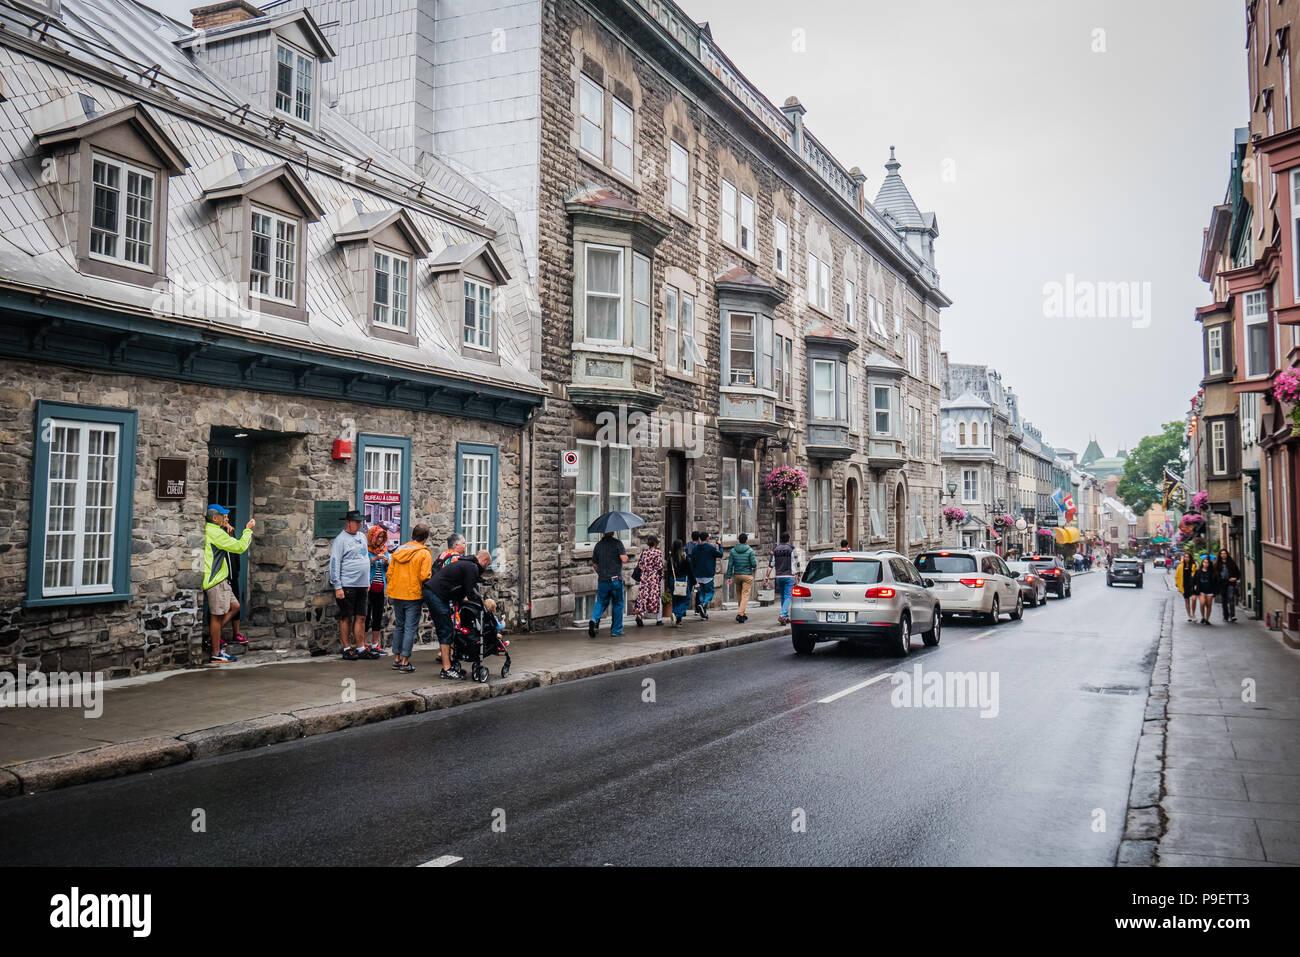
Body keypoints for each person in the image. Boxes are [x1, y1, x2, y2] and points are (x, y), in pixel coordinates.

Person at [427, 548, 492, 678]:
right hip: (436, 594)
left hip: (434, 592)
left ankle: (449, 665)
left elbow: (462, 593)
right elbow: (469, 593)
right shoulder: (472, 567)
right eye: (487, 564)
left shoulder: (465, 564)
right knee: (445, 630)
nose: (486, 567)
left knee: (447, 629)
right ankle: (447, 669)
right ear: (484, 561)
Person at [203, 504, 254, 663]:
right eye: (222, 515)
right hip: (216, 580)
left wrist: (226, 528)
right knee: (216, 617)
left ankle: (213, 637)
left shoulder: (214, 530)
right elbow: (239, 547)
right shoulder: (215, 532)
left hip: (221, 579)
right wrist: (248, 530)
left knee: (235, 606)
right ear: (214, 518)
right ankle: (216, 653)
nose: (225, 517)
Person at [385, 524, 432, 673]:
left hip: (397, 593)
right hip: (413, 594)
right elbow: (425, 576)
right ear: (425, 538)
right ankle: (405, 662)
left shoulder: (399, 550)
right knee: (410, 628)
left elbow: (389, 572)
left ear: (413, 535)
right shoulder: (424, 553)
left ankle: (397, 658)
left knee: (399, 626)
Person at [330, 509, 373, 660]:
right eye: (356, 522)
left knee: (361, 616)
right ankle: (347, 648)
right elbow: (335, 563)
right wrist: (338, 586)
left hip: (362, 584)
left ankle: (360, 647)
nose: (359, 524)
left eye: (360, 522)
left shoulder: (362, 536)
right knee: (346, 616)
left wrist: (367, 581)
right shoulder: (340, 540)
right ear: (348, 523)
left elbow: (365, 558)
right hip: (347, 584)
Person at [588, 529, 629, 637]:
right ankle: (616, 630)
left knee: (600, 601)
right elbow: (624, 559)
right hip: (615, 580)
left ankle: (594, 619)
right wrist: (624, 553)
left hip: (603, 580)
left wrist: (601, 573)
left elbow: (595, 564)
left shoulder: (598, 545)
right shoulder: (617, 543)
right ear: (613, 532)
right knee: (618, 603)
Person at [365, 525, 390, 657]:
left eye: (382, 537)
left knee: (378, 616)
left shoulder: (385, 551)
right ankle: (363, 644)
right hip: (368, 586)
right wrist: (373, 559)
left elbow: (389, 568)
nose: (380, 540)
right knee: (366, 616)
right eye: (378, 537)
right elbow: (363, 565)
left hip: (380, 587)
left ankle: (375, 644)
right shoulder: (366, 550)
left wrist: (386, 562)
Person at [764, 533, 800, 625]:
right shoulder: (792, 549)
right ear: (789, 539)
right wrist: (798, 575)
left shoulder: (775, 549)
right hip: (789, 576)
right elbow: (796, 563)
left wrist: (766, 577)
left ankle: (786, 617)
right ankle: (782, 615)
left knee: (783, 597)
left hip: (779, 577)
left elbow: (771, 564)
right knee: (788, 596)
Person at [725, 532, 758, 623]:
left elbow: (730, 565)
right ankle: (740, 613)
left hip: (737, 575)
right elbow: (754, 564)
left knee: (739, 595)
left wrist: (728, 576)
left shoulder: (733, 551)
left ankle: (743, 614)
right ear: (746, 541)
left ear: (739, 540)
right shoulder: (750, 551)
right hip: (747, 575)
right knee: (745, 595)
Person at [632, 534, 664, 627]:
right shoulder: (657, 553)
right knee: (657, 598)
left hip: (644, 577)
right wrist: (660, 577)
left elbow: (640, 565)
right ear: (655, 542)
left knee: (643, 597)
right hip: (654, 578)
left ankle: (640, 615)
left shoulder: (644, 552)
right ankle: (659, 619)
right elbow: (660, 567)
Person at [690, 530, 724, 619]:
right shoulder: (710, 547)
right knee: (710, 592)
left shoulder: (695, 548)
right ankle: (703, 604)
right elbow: (720, 554)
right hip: (708, 574)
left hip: (697, 575)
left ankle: (703, 614)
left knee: (701, 593)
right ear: (708, 538)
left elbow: (692, 561)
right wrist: (720, 545)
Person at [665, 538, 696, 626]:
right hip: (684, 580)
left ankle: (678, 620)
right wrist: (694, 582)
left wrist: (668, 584)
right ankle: (676, 614)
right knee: (685, 600)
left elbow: (668, 572)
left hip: (673, 580)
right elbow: (690, 571)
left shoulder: (670, 558)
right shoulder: (685, 557)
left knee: (676, 600)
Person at [1214, 548, 1240, 623]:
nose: (1223, 555)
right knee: (1224, 600)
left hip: (1230, 583)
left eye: (1224, 553)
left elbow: (1238, 573)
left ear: (1227, 554)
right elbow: (1214, 575)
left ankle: (1232, 615)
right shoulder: (1217, 564)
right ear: (1220, 555)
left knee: (1231, 598)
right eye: (1222, 554)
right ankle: (1225, 616)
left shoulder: (1231, 563)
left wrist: (1235, 578)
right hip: (1222, 584)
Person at [1193, 555, 1218, 625]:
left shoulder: (1212, 572)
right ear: (1202, 563)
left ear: (1209, 564)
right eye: (1204, 562)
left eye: (1207, 563)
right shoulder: (1198, 572)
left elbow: (1215, 582)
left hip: (1210, 590)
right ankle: (1203, 617)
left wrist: (1215, 591)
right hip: (1201, 590)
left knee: (1209, 605)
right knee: (1202, 603)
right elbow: (1194, 580)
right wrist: (1195, 589)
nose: (1206, 564)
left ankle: (1207, 619)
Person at [1175, 552, 1196, 622]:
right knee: (1187, 600)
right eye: (1185, 557)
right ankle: (1189, 615)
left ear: (1190, 558)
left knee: (1193, 599)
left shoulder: (1193, 566)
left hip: (1192, 585)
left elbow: (1197, 575)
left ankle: (1193, 614)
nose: (1187, 558)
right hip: (1184, 585)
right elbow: (1177, 576)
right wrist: (1177, 584)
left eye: (1188, 557)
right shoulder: (1180, 566)